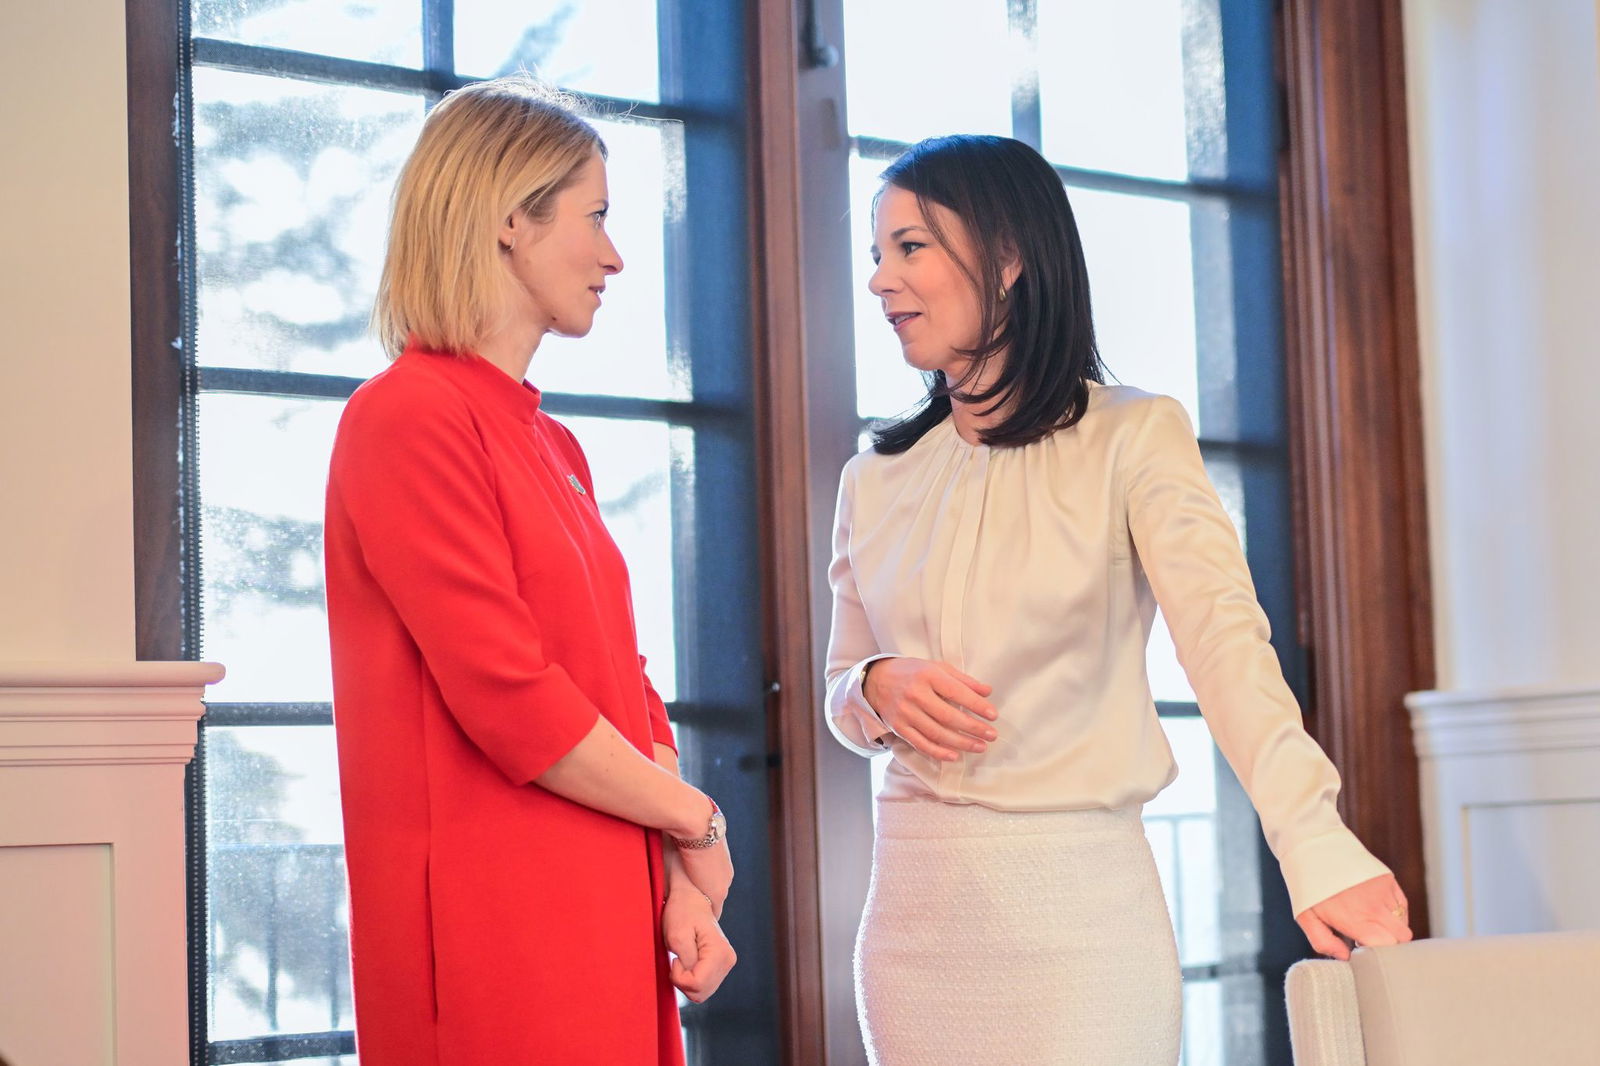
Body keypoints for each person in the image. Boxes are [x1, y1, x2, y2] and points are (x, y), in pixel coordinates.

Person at [824, 134, 1412, 1066]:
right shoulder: (876, 477)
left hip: (1082, 913)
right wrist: (873, 686)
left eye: (910, 247)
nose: (880, 281)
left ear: (1008, 257)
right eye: (875, 253)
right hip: (915, 916)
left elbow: (1226, 646)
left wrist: (1318, 844)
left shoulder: (1135, 436)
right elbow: (841, 689)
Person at [324, 77, 734, 1066]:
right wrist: (697, 816)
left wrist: (683, 870)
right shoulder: (407, 416)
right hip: (493, 922)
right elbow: (508, 695)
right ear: (511, 219)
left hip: (604, 894)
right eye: (594, 216)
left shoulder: (554, 445)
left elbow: (623, 682)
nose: (613, 255)